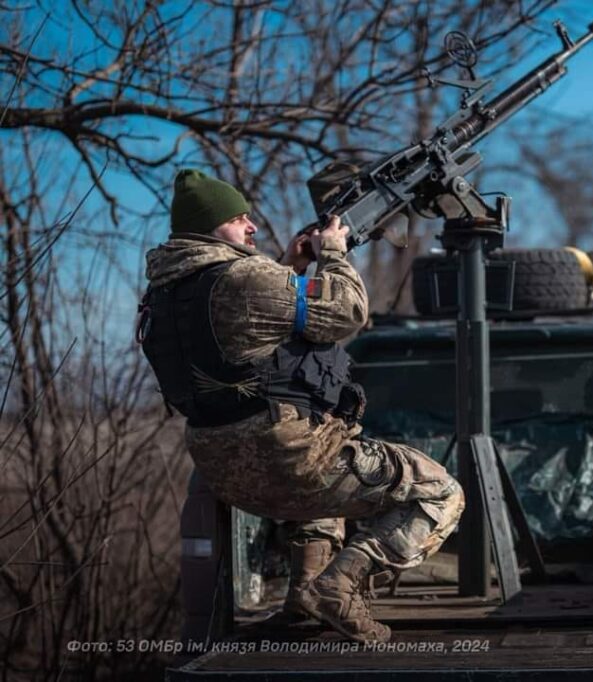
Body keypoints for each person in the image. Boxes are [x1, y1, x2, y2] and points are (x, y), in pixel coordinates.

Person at [137, 169, 464, 642]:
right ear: (208, 228)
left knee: (321, 475)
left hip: (224, 473)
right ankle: (341, 582)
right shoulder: (245, 277)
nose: (250, 227)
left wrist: (288, 265)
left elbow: (241, 328)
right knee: (441, 492)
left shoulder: (164, 294)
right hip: (288, 457)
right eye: (237, 218)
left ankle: (302, 599)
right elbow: (348, 310)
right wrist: (332, 250)